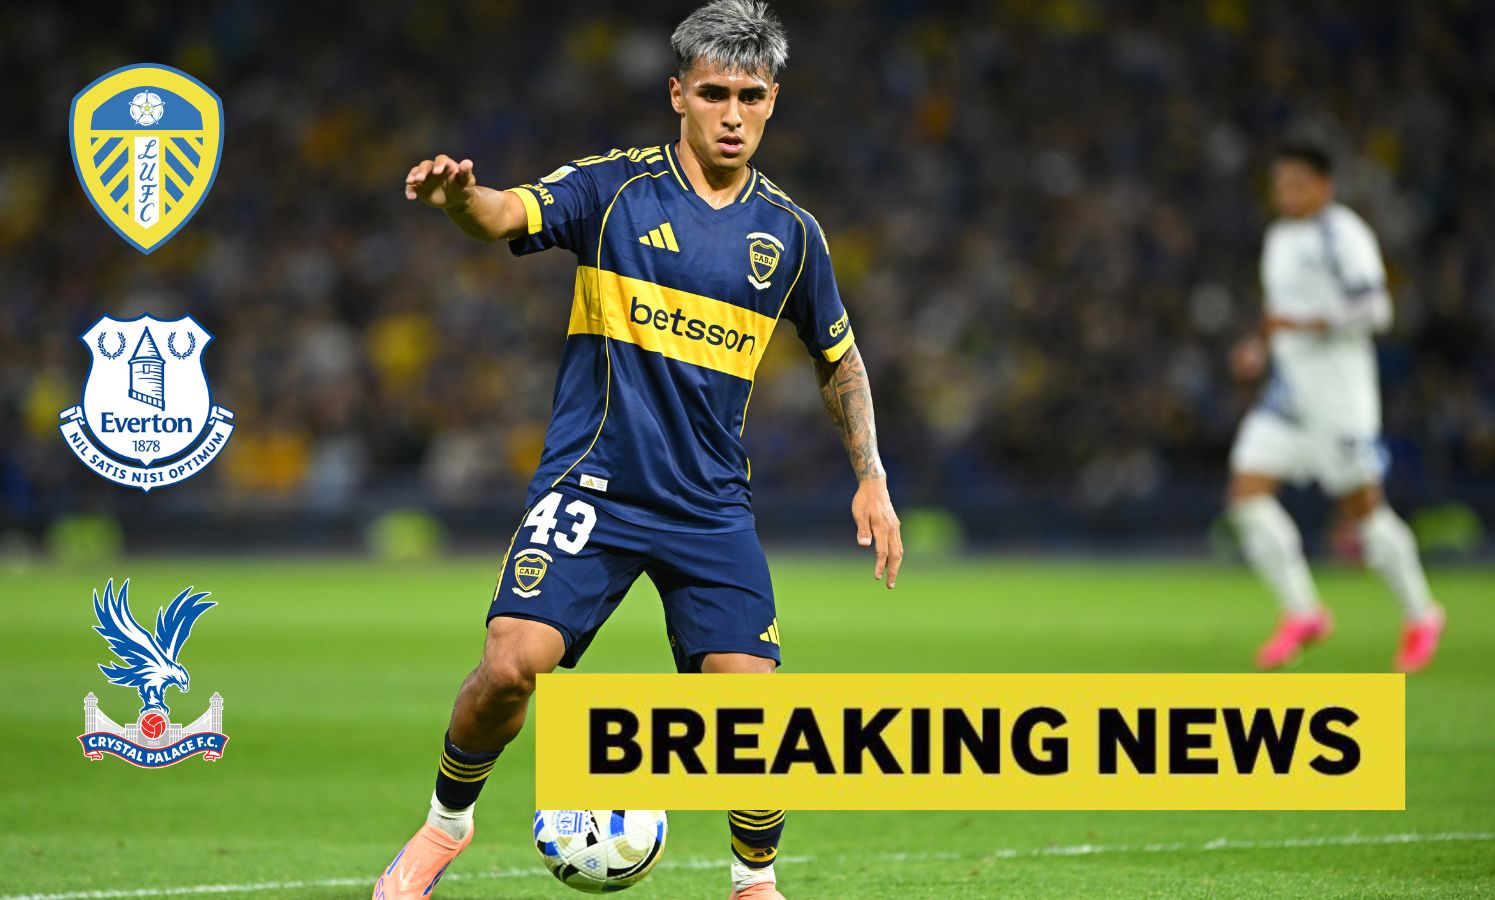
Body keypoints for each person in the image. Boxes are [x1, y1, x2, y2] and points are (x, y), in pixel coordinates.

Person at [374, 2, 903, 898]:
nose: (731, 114)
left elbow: (838, 357)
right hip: (595, 487)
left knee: (752, 709)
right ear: (677, 95)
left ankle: (753, 881)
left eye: (750, 96)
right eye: (713, 93)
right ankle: (443, 827)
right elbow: (504, 213)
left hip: (707, 505)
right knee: (509, 667)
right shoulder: (613, 189)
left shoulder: (791, 234)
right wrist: (461, 198)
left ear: (772, 102)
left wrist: (872, 478)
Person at [1227, 142, 1443, 673]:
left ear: (1325, 185)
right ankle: (1303, 612)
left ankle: (1421, 614)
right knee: (1246, 495)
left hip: (1340, 396)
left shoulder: (1343, 235)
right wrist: (1260, 344)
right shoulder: (1280, 237)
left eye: (1297, 184)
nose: (1286, 194)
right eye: (1280, 184)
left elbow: (1376, 309)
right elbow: (1279, 309)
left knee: (1364, 512)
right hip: (1289, 394)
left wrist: (1305, 324)